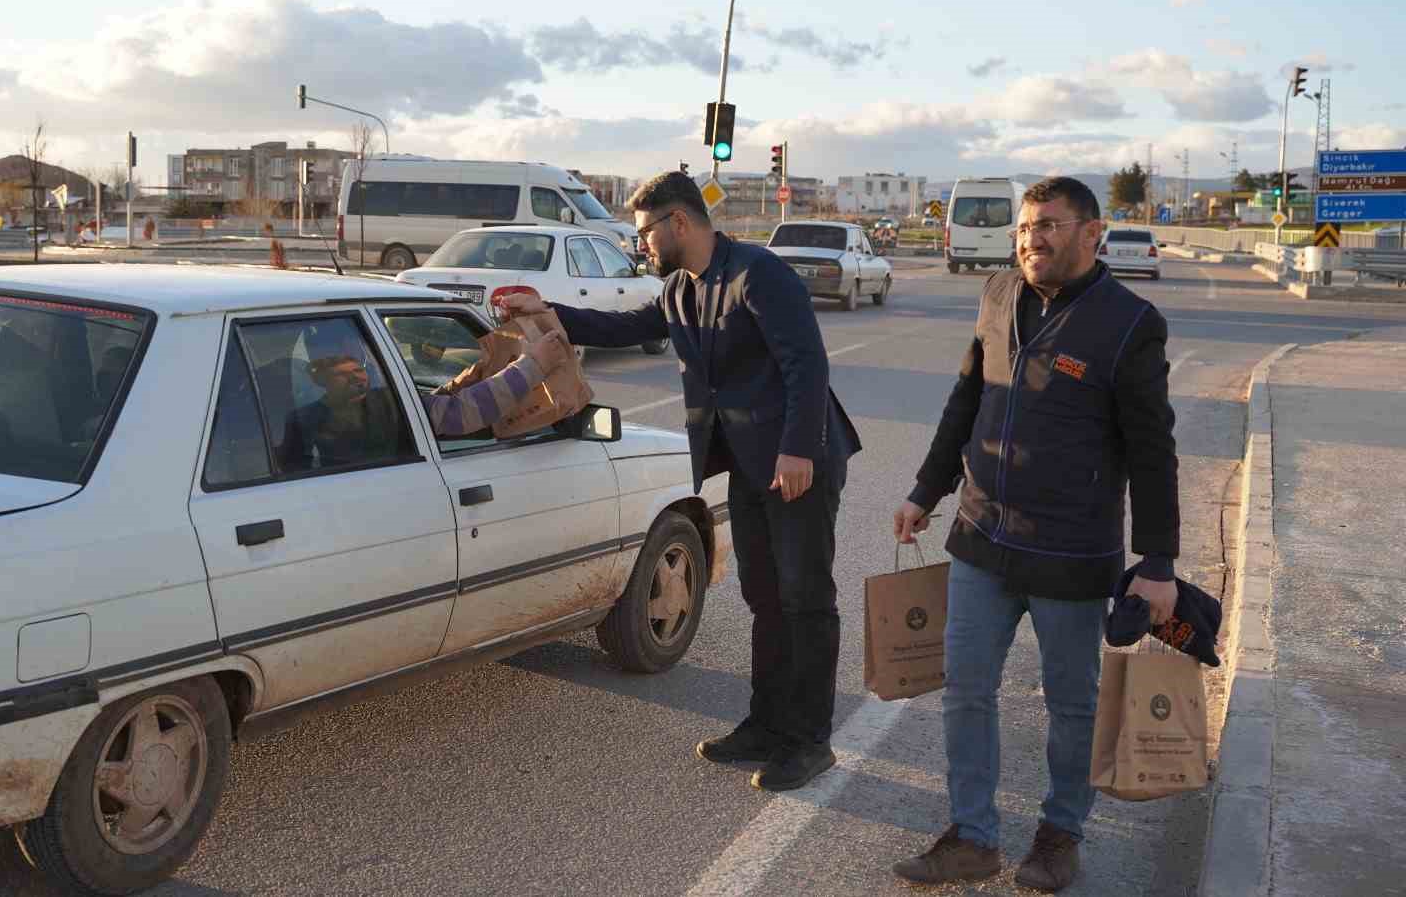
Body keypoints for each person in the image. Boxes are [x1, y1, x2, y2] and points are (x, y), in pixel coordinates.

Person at [501, 170, 860, 791]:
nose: (640, 243)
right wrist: (546, 311)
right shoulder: (679, 288)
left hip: (798, 460)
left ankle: (810, 740)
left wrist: (799, 450)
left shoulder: (759, 273)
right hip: (749, 463)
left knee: (805, 601)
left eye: (645, 231)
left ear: (681, 223)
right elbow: (624, 327)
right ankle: (767, 725)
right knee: (764, 598)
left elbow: (807, 362)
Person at [889, 177, 1181, 892]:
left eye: (1048, 225)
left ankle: (1059, 834)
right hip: (982, 537)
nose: (1031, 239)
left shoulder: (1129, 322)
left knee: (1072, 703)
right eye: (1025, 227)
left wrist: (1159, 559)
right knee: (966, 688)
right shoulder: (996, 295)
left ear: (1092, 234)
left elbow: (1152, 449)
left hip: (1072, 552)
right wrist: (927, 490)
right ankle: (973, 836)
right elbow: (967, 399)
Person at [279, 321, 571, 470]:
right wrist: (535, 365)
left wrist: (471, 376)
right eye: (345, 366)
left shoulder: (299, 417)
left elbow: (428, 407)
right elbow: (461, 414)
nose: (358, 373)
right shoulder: (384, 406)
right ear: (319, 375)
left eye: (359, 363)